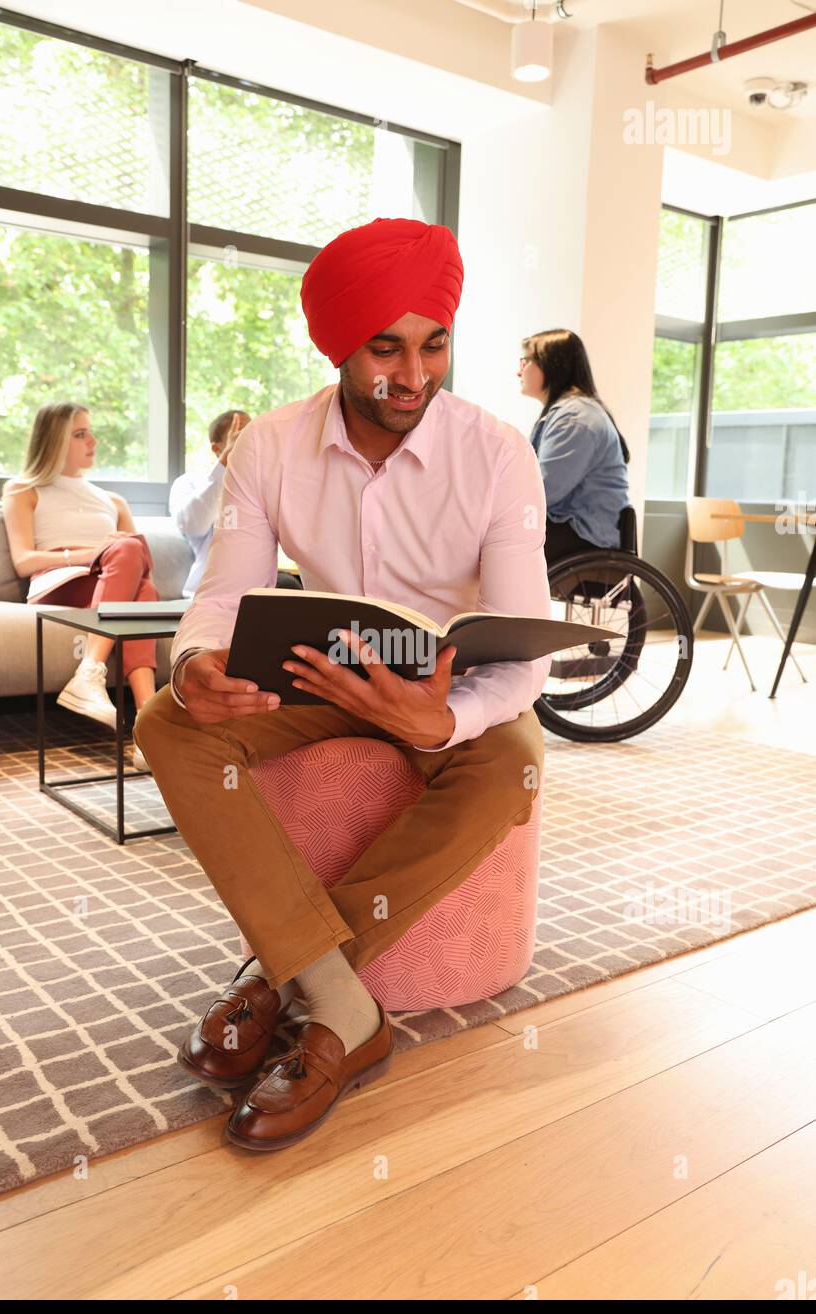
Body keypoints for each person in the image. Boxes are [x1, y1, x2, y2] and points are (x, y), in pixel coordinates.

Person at [135, 216, 551, 1152]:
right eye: (385, 349)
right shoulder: (270, 445)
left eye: (433, 344)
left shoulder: (495, 454)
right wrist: (196, 663)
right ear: (338, 348)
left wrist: (447, 716)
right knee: (170, 725)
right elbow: (223, 595)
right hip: (321, 673)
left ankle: (289, 982)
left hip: (449, 686)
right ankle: (341, 1007)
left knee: (513, 763)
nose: (412, 376)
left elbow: (522, 658)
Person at [2, 402, 159, 772]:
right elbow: (24, 560)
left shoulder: (113, 500)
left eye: (91, 431)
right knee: (132, 563)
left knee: (144, 590)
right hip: (57, 583)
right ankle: (93, 675)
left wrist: (112, 552)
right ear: (54, 440)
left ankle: (145, 731)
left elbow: (139, 556)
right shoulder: (24, 490)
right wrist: (90, 554)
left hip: (108, 579)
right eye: (80, 434)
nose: (94, 440)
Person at [518, 328, 630, 567]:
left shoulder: (576, 419)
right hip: (579, 529)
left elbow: (544, 490)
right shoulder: (569, 412)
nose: (518, 371)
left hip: (586, 535)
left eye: (525, 362)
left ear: (550, 365)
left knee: (494, 542)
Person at [170, 409, 303, 596]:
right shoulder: (189, 482)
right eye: (241, 436)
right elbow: (193, 524)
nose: (250, 443)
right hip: (214, 589)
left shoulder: (266, 481)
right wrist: (226, 462)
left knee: (292, 588)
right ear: (216, 448)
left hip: (265, 583)